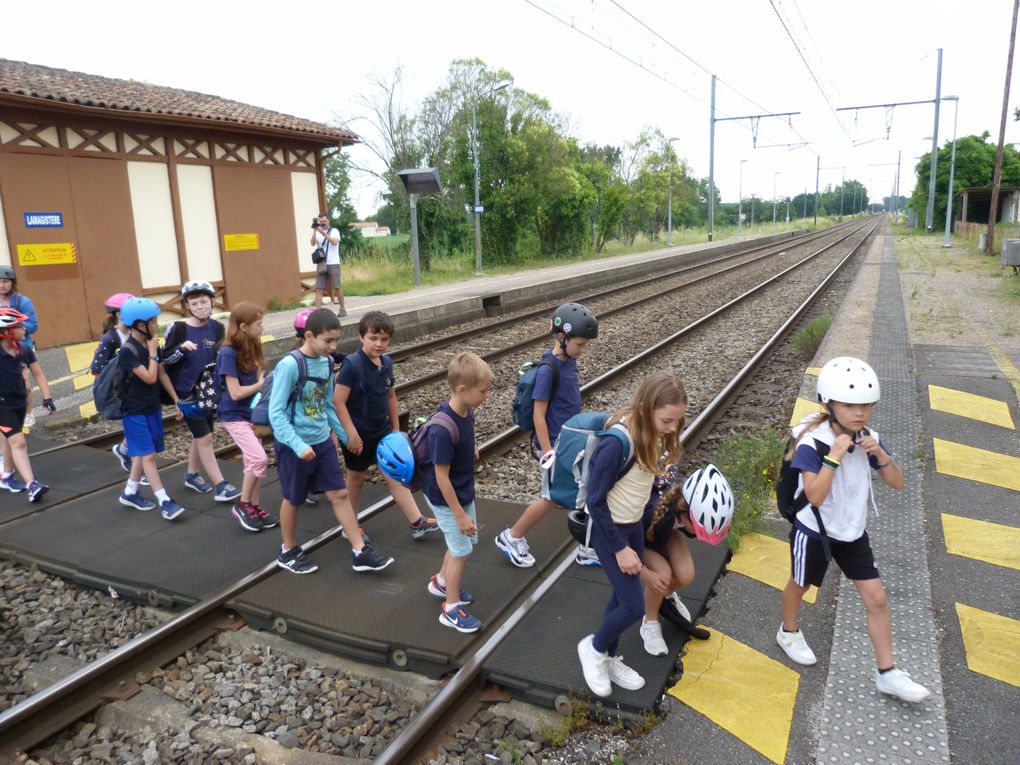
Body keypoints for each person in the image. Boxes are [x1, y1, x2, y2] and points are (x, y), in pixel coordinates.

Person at [777, 356, 931, 703]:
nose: (859, 413)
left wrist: (882, 455)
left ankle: (887, 673)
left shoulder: (868, 438)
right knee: (799, 585)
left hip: (852, 532)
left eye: (865, 405)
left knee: (877, 599)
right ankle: (788, 631)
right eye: (849, 405)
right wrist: (833, 456)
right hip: (814, 531)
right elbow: (814, 496)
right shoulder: (812, 442)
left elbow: (898, 484)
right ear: (828, 405)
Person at [576, 372, 687, 698]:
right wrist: (621, 550)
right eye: (667, 420)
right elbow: (596, 501)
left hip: (633, 526)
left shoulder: (651, 433)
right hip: (610, 532)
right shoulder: (617, 443)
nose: (671, 428)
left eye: (675, 422)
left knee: (619, 597)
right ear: (644, 407)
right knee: (633, 606)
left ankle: (608, 656)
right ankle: (594, 649)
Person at [270, 307, 392, 574]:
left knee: (338, 493)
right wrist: (298, 445)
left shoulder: (326, 363)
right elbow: (275, 413)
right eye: (328, 341)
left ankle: (360, 549)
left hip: (321, 440)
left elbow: (327, 405)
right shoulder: (290, 365)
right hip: (294, 444)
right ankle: (288, 550)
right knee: (294, 498)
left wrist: (346, 435)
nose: (333, 346)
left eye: (336, 340)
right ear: (309, 336)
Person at [495, 303, 600, 568]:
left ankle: (588, 546)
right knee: (553, 498)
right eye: (580, 344)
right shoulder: (547, 370)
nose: (583, 350)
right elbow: (539, 416)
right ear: (561, 337)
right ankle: (512, 536)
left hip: (572, 441)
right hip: (556, 446)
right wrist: (548, 452)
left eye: (586, 345)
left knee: (587, 490)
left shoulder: (568, 363)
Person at [334, 310, 440, 540]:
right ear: (361, 337)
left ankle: (416, 521)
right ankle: (349, 525)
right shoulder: (351, 365)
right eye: (373, 338)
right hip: (358, 433)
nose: (379, 344)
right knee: (356, 477)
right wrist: (350, 434)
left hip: (382, 430)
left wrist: (395, 428)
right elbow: (338, 401)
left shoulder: (386, 363)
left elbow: (390, 396)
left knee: (394, 473)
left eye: (384, 339)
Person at [422, 352, 493, 633]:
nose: (486, 395)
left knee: (462, 546)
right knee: (461, 551)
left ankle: (441, 582)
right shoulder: (441, 429)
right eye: (483, 391)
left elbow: (463, 438)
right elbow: (441, 477)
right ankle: (450, 609)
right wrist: (459, 515)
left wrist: (469, 448)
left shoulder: (466, 410)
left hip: (462, 491)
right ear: (462, 390)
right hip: (446, 498)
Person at [638, 464, 734, 655]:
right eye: (697, 528)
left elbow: (681, 528)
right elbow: (623, 545)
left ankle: (662, 597)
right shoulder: (651, 512)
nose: (696, 534)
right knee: (662, 575)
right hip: (638, 541)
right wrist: (646, 573)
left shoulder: (680, 507)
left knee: (686, 574)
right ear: (683, 509)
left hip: (662, 533)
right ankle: (649, 620)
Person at [162, 280, 240, 503]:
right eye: (194, 303)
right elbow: (164, 359)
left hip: (209, 391)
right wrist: (180, 348)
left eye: (204, 302)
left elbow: (220, 357)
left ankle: (192, 475)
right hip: (186, 393)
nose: (200, 307)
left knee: (203, 435)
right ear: (187, 306)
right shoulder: (178, 329)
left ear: (213, 302)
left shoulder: (217, 328)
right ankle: (221, 485)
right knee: (205, 438)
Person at [115, 298, 187, 521]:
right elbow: (149, 377)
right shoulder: (129, 350)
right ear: (139, 325)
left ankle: (129, 492)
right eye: (153, 322)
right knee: (148, 455)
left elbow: (162, 373)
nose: (157, 325)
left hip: (151, 407)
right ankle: (164, 500)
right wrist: (154, 353)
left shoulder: (150, 343)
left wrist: (176, 399)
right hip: (134, 410)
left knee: (143, 451)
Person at [217, 302, 277, 532]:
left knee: (253, 461)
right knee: (259, 459)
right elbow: (235, 392)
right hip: (233, 415)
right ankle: (242, 505)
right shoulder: (228, 353)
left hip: (252, 412)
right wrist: (261, 384)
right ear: (243, 326)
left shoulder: (251, 344)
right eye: (258, 324)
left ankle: (254, 506)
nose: (261, 328)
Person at [0, 308, 51, 501]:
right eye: (19, 326)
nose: (24, 329)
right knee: (18, 440)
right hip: (1, 405)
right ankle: (32, 484)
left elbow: (38, 373)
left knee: (9, 439)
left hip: (19, 402)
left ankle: (7, 475)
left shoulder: (24, 348)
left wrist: (47, 398)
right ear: (5, 331)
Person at [93, 293, 144, 477]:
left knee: (139, 427)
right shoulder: (110, 339)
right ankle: (136, 470)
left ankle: (124, 450)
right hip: (121, 391)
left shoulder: (137, 333)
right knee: (137, 428)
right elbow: (98, 368)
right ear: (118, 315)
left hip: (137, 388)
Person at [0, 266, 40, 426]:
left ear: (12, 283)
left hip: (20, 346)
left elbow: (33, 325)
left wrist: (15, 325)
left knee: (24, 383)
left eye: (5, 281)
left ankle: (28, 414)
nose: (1, 285)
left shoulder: (22, 301)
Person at [311, 213, 346, 315]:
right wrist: (315, 231)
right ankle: (317, 312)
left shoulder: (334, 231)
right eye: (320, 222)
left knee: (337, 287)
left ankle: (342, 309)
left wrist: (324, 234)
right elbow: (312, 243)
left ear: (328, 220)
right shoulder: (318, 231)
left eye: (324, 221)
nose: (322, 223)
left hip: (333, 263)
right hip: (322, 263)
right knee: (319, 288)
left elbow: (335, 242)